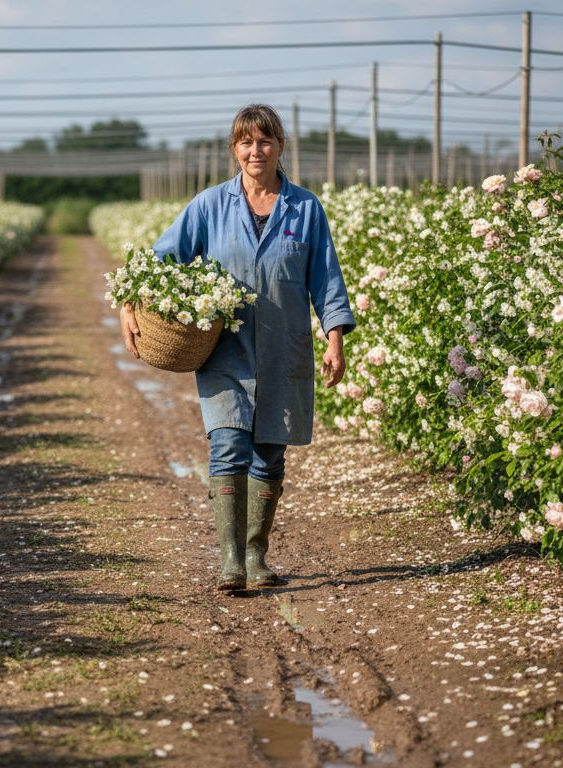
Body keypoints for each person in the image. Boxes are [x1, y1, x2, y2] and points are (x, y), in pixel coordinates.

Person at [119, 103, 355, 592]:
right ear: (234, 150)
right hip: (225, 352)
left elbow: (325, 280)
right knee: (227, 446)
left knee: (269, 454)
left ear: (280, 146)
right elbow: (159, 260)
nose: (256, 150)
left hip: (283, 351)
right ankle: (230, 561)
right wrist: (129, 302)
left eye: (265, 141)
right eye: (246, 142)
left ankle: (256, 554)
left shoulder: (305, 209)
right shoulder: (209, 206)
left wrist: (334, 339)